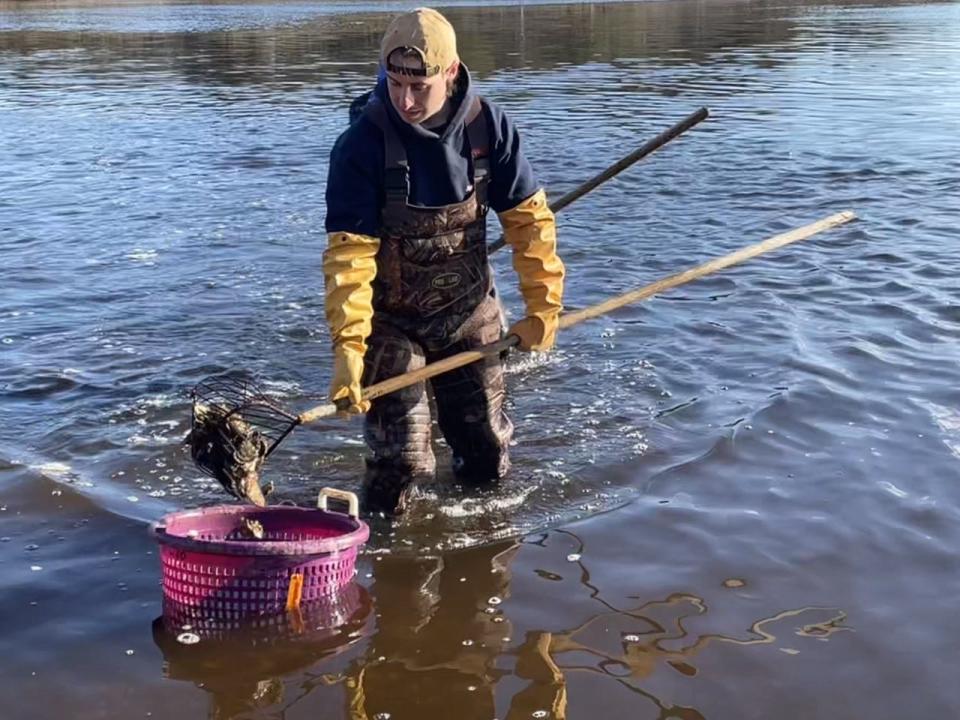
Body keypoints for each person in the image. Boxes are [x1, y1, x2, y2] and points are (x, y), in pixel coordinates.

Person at [323, 7, 564, 515]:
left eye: (420, 86)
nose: (406, 101)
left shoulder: (490, 129)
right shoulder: (360, 145)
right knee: (402, 465)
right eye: (395, 84)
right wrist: (348, 347)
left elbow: (529, 226)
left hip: (469, 310)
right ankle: (386, 556)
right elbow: (350, 257)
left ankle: (483, 568)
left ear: (450, 73)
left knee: (485, 453)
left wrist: (543, 308)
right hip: (391, 324)